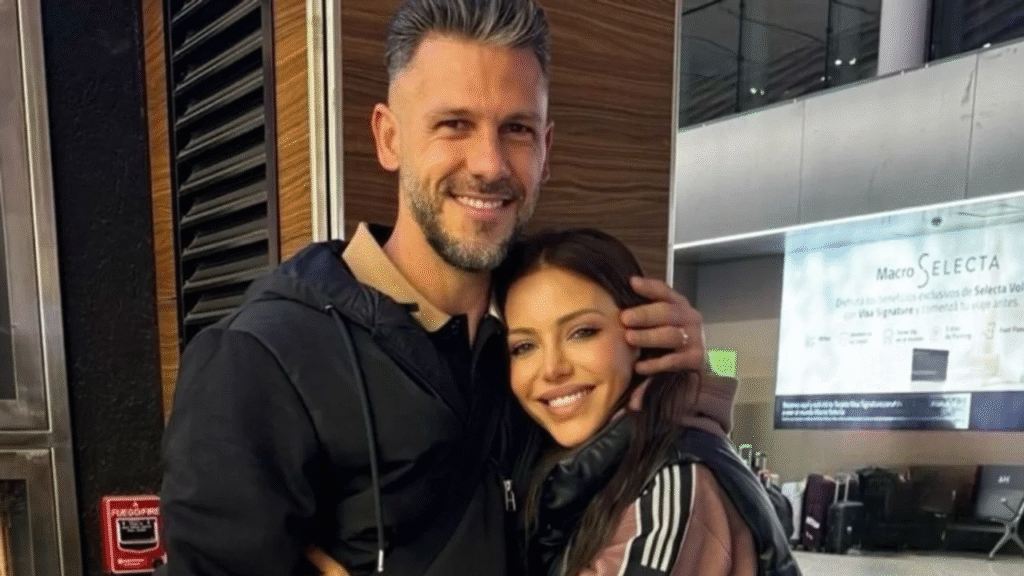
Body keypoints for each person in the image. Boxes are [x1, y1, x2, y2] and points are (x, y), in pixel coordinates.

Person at [159, 1, 705, 575]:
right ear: (388, 137)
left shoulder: (544, 349)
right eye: (455, 125)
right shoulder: (260, 359)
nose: (490, 164)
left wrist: (687, 382)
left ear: (546, 150)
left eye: (516, 129)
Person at [491, 228, 800, 576]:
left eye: (582, 332)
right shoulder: (576, 467)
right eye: (524, 347)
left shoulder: (674, 484)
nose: (552, 369)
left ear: (645, 333)